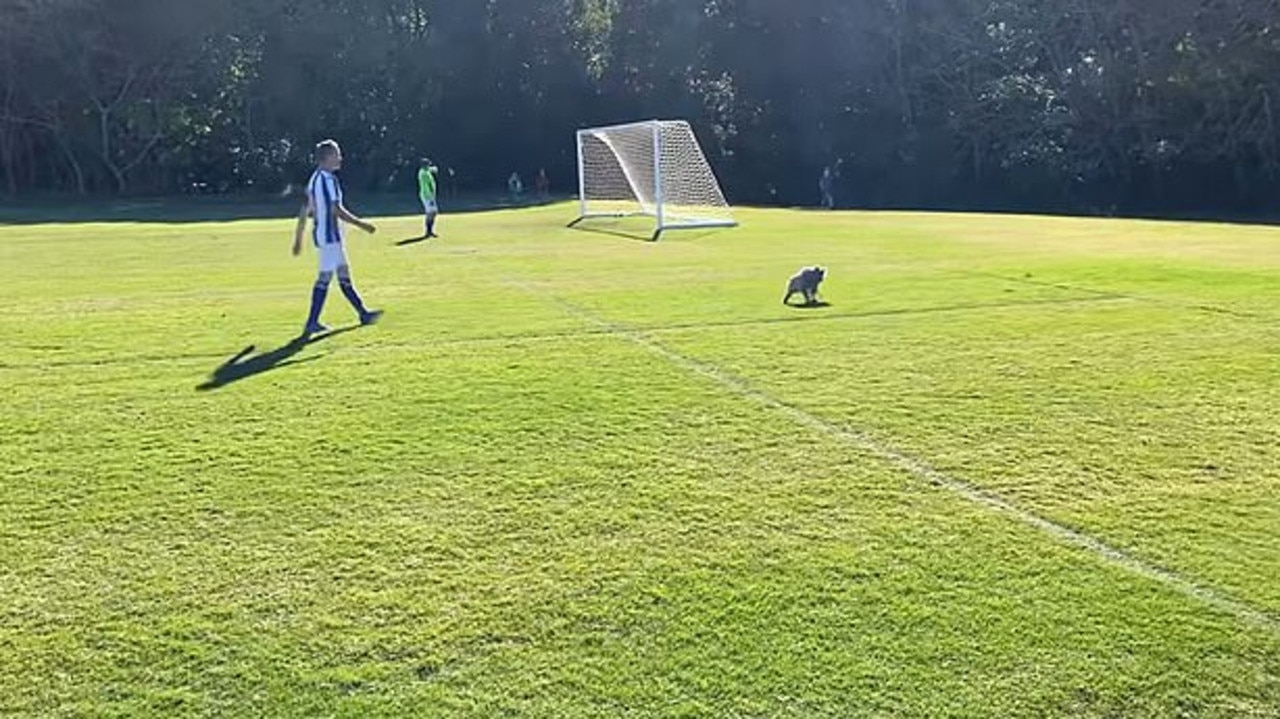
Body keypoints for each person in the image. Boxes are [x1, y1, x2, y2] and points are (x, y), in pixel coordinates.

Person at [292, 139, 382, 337]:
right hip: (330, 236)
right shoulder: (328, 180)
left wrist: (298, 237)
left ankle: (363, 313)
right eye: (336, 154)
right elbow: (336, 210)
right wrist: (362, 225)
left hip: (326, 236)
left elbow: (306, 208)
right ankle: (312, 322)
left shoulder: (314, 178)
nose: (340, 158)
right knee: (325, 277)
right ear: (327, 158)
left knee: (343, 274)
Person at [418, 158, 440, 238]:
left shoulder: (425, 171)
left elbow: (430, 170)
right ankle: (428, 231)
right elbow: (427, 187)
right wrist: (431, 197)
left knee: (433, 212)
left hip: (429, 195)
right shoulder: (424, 174)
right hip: (427, 196)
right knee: (430, 213)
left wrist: (433, 169)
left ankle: (430, 231)